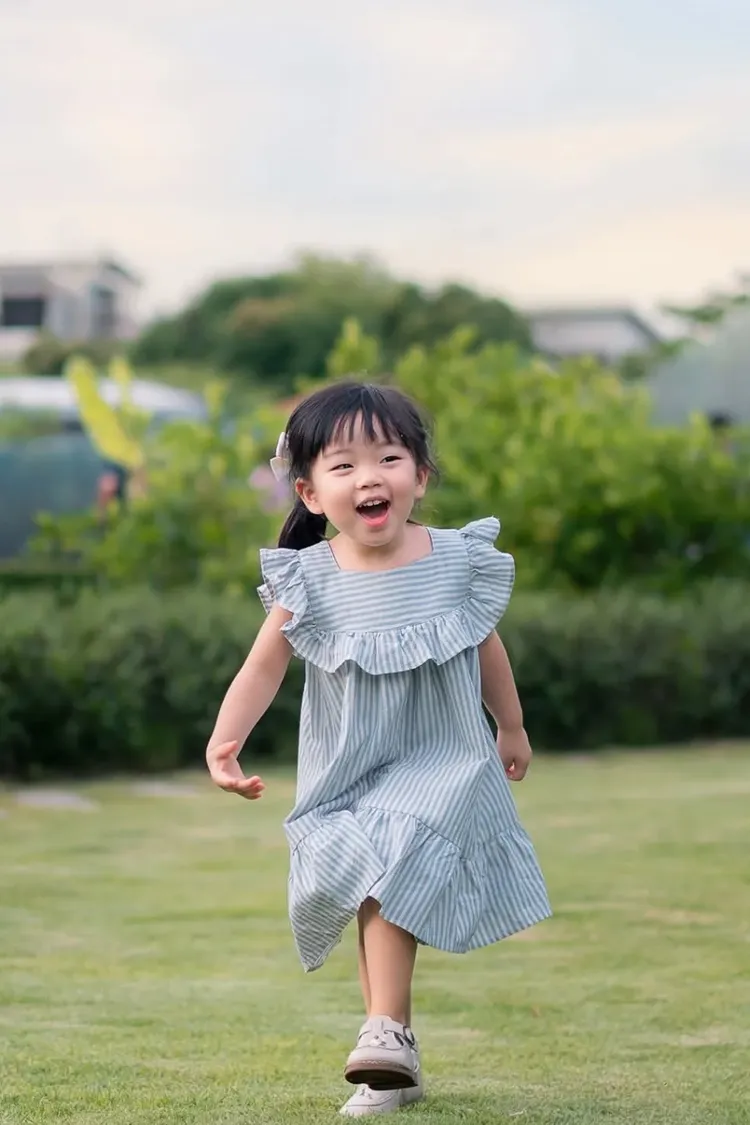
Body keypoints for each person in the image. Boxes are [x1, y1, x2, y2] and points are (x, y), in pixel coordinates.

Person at [205, 380, 551, 1117]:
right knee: (369, 881)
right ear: (310, 492)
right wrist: (225, 741)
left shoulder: (454, 558)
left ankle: (385, 1031)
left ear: (420, 475)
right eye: (344, 465)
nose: (370, 476)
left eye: (389, 458)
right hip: (347, 767)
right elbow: (263, 665)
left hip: (440, 758)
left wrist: (512, 725)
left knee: (392, 856)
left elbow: (486, 647)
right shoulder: (311, 576)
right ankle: (392, 1059)